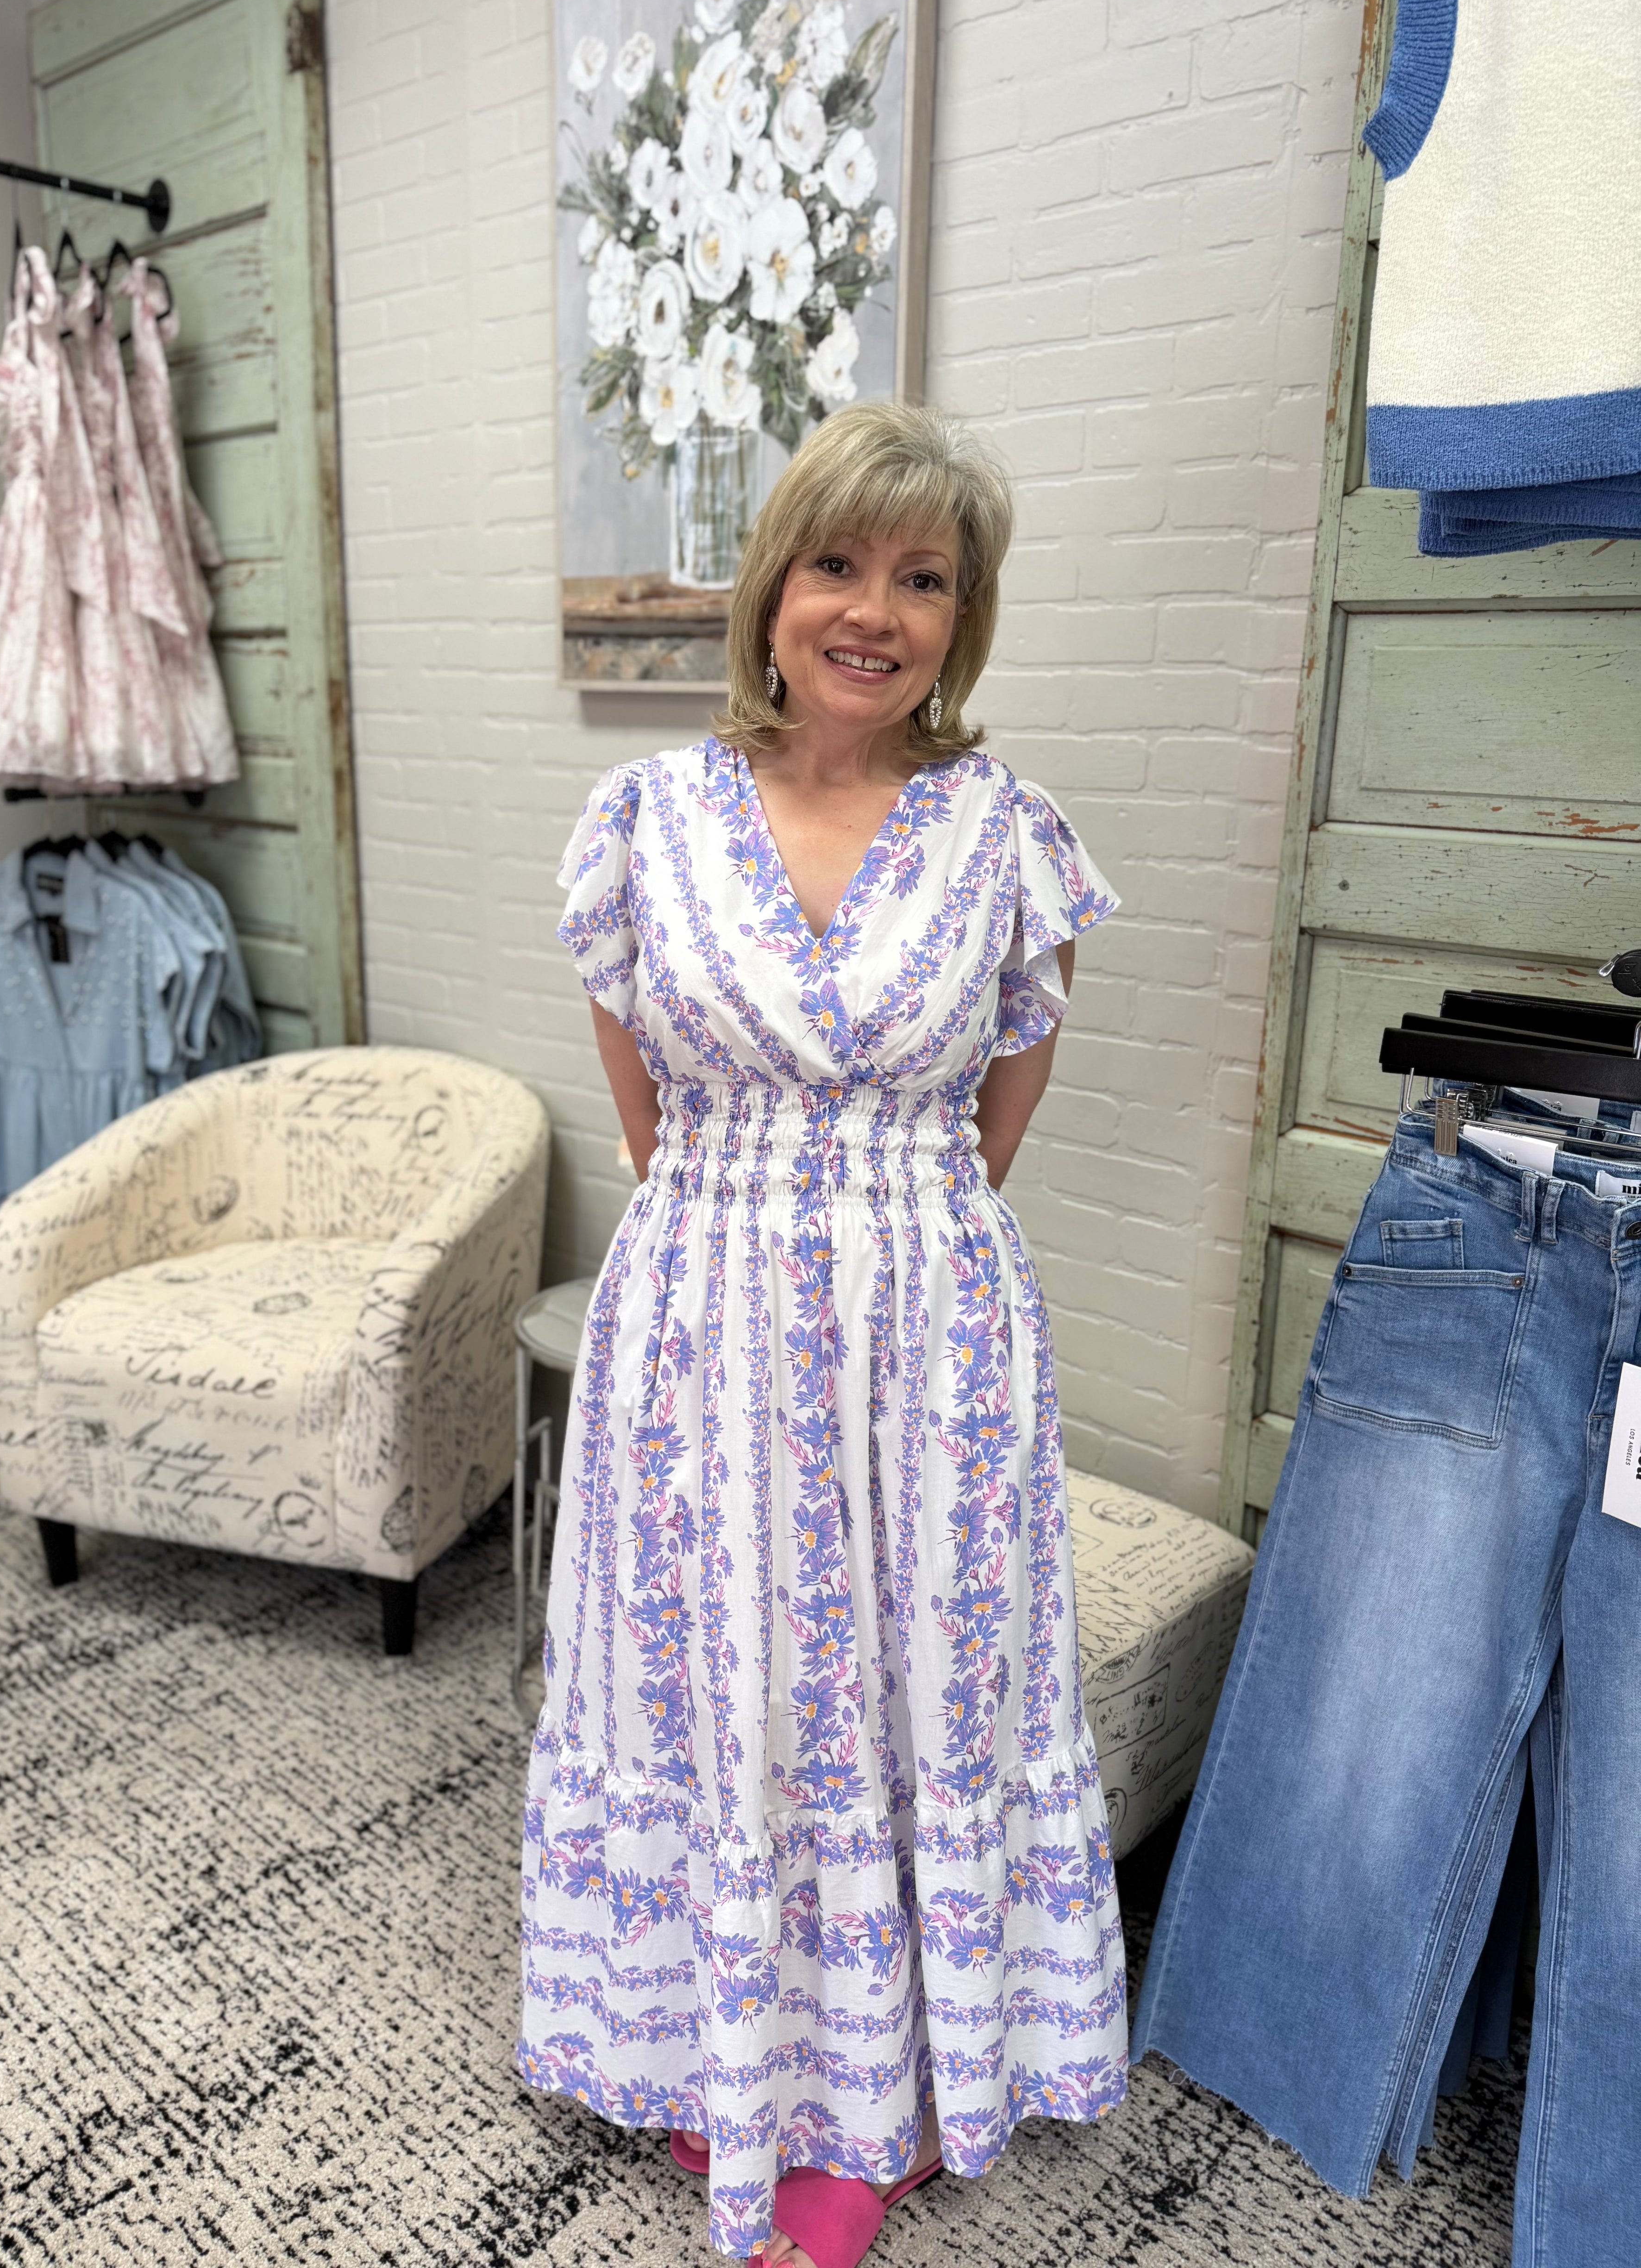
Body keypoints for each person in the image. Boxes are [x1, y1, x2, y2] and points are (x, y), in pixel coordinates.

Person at [518, 402, 1126, 2266]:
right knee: (717, 1677)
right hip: (696, 1313)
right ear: (772, 589)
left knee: (914, 1688)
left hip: (929, 1318)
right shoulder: (642, 825)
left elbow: (990, 1126)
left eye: (925, 577)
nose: (876, 610)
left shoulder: (1010, 837)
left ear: (967, 615)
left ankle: (877, 2098)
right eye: (840, 563)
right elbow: (648, 1117)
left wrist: (879, 1250)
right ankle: (717, 2046)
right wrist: (769, 1236)